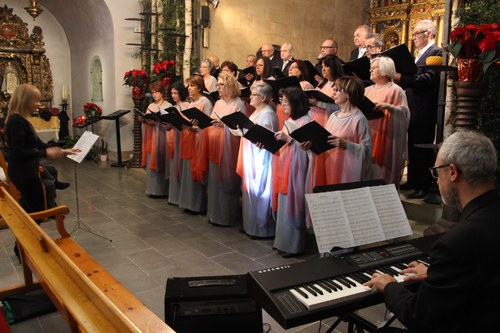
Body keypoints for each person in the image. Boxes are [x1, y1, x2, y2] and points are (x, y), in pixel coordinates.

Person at [365, 130, 500, 333]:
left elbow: (418, 317)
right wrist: (438, 276)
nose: (437, 180)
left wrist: (390, 285)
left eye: (437, 172)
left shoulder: (456, 242)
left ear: (453, 172)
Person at [395, 19, 442, 199]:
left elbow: (427, 80)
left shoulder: (436, 52)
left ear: (429, 34)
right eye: (413, 33)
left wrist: (402, 78)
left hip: (424, 109)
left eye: (417, 33)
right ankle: (413, 180)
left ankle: (423, 185)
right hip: (413, 108)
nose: (413, 37)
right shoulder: (419, 54)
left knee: (422, 147)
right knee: (412, 146)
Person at [302, 76, 373, 185]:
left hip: (345, 171)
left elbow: (367, 150)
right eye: (334, 89)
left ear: (349, 94)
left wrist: (346, 144)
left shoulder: (359, 119)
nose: (333, 93)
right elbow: (324, 142)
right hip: (329, 165)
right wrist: (311, 147)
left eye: (338, 90)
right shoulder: (333, 116)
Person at [273, 87, 311, 257]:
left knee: (293, 204)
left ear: (296, 103)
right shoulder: (290, 121)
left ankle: (294, 245)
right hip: (285, 165)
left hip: (297, 168)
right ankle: (282, 241)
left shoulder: (306, 121)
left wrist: (289, 140)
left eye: (286, 102)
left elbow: (308, 150)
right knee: (283, 203)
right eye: (282, 101)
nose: (283, 104)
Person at [236, 83, 277, 238]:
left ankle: (261, 228)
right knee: (250, 192)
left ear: (264, 97)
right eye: (251, 94)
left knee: (260, 191)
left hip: (261, 157)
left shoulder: (267, 113)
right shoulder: (256, 112)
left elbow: (267, 137)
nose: (251, 97)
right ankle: (250, 225)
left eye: (254, 95)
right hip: (251, 154)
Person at [206, 73, 245, 226]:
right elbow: (211, 119)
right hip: (215, 144)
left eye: (221, 85)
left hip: (229, 147)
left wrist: (224, 125)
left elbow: (239, 128)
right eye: (218, 85)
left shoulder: (238, 104)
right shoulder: (218, 103)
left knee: (226, 180)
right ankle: (214, 214)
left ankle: (226, 216)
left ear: (229, 86)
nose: (218, 87)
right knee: (214, 179)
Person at [365, 56, 409, 186]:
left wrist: (389, 107)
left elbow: (405, 113)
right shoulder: (367, 90)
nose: (370, 70)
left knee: (381, 170)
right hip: (369, 132)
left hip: (386, 134)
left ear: (385, 69)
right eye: (370, 68)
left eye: (374, 68)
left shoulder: (395, 90)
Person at [178, 75, 213, 214]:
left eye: (192, 86)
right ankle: (188, 203)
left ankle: (197, 205)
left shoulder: (205, 102)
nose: (189, 88)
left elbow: (208, 124)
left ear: (199, 87)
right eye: (188, 86)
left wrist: (194, 128)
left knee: (196, 171)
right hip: (189, 140)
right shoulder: (191, 103)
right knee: (187, 171)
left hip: (199, 139)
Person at [141, 80, 172, 198]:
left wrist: (158, 123)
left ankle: (162, 190)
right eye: (152, 92)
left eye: (157, 92)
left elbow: (169, 123)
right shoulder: (151, 106)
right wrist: (145, 121)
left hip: (162, 137)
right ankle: (152, 189)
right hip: (152, 137)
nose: (154, 95)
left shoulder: (168, 106)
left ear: (162, 93)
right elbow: (148, 119)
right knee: (151, 163)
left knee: (161, 161)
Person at [166, 81, 189, 206]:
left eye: (176, 93)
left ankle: (182, 196)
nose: (174, 96)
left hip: (184, 136)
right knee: (174, 164)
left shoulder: (186, 105)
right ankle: (174, 197)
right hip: (174, 136)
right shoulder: (172, 107)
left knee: (181, 164)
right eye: (172, 93)